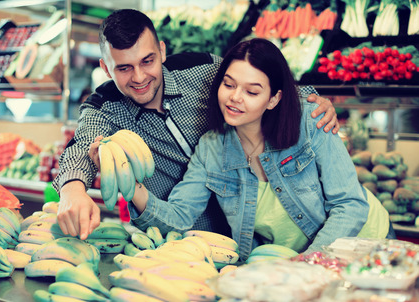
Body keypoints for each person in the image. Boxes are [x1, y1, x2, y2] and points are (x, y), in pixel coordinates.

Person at [53, 9, 340, 240]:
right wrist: (73, 190)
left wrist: (309, 98)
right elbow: (80, 146)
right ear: (105, 69)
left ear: (162, 51)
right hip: (186, 240)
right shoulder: (104, 107)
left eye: (147, 61)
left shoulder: (202, 68)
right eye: (124, 68)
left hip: (255, 234)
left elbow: (257, 79)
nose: (139, 77)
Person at [128, 38, 394, 260]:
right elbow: (179, 216)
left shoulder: (311, 121)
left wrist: (306, 266)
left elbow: (349, 205)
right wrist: (130, 184)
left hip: (364, 244)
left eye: (252, 92)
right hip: (293, 265)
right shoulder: (211, 149)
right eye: (229, 85)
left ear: (274, 98)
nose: (235, 98)